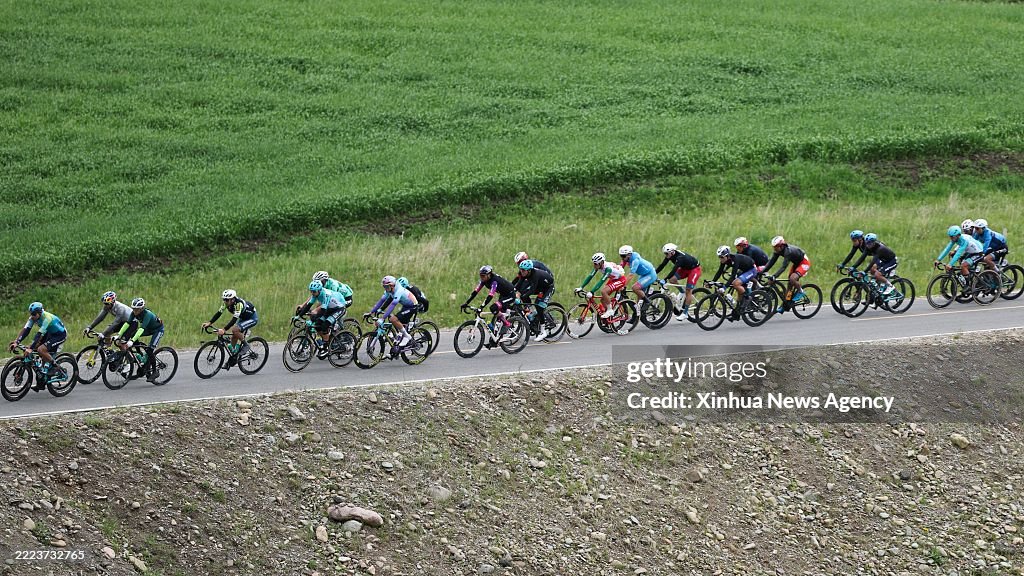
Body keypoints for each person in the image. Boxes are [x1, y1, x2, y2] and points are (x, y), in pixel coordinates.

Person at [9, 302, 66, 387]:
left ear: (39, 313)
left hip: (59, 335)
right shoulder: (33, 318)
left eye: (34, 314)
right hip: (49, 333)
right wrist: (17, 342)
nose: (32, 316)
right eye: (31, 314)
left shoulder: (47, 318)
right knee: (33, 348)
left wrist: (31, 348)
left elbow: (39, 334)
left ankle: (56, 367)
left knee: (41, 350)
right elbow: (26, 330)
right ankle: (42, 380)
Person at [115, 298, 165, 382]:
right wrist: (118, 335)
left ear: (141, 309)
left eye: (136, 309)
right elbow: (127, 323)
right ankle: (139, 354)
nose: (134, 311)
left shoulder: (147, 315)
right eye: (133, 309)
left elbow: (141, 329)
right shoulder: (133, 313)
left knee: (149, 350)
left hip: (158, 330)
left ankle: (155, 372)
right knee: (133, 334)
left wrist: (132, 341)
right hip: (149, 328)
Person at [201, 289, 257, 358]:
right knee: (234, 337)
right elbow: (219, 313)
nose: (225, 301)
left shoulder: (239, 304)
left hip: (251, 318)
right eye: (224, 299)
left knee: (235, 330)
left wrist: (224, 330)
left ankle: (246, 345)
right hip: (243, 318)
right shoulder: (226, 303)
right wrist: (209, 323)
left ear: (232, 299)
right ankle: (234, 357)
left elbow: (234, 320)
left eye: (227, 300)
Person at [366, 276, 419, 347]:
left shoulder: (399, 290)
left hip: (413, 306)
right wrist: (371, 312)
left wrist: (382, 318)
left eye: (386, 287)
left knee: (393, 319)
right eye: (384, 287)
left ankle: (407, 336)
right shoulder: (389, 290)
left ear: (392, 285)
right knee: (394, 319)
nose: (385, 289)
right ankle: (398, 346)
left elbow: (393, 304)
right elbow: (381, 301)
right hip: (406, 306)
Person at [762, 236, 811, 313]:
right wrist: (762, 272)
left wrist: (774, 276)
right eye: (773, 247)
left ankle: (801, 291)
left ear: (781, 246)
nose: (774, 249)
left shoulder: (788, 251)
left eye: (776, 247)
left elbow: (783, 267)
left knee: (792, 278)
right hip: (796, 264)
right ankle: (785, 306)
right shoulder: (777, 251)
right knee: (789, 286)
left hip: (804, 262)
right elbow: (771, 263)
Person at [296, 280, 348, 351]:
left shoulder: (326, 294)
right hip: (330, 309)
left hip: (339, 308)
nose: (312, 293)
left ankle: (327, 347)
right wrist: (298, 316)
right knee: (318, 325)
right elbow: (308, 306)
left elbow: (323, 310)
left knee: (325, 325)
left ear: (319, 290)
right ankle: (327, 341)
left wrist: (315, 316)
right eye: (311, 291)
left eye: (314, 291)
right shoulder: (316, 294)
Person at [712, 246, 760, 321]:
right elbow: (719, 271)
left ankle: (748, 298)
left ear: (727, 256)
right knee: (739, 292)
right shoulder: (725, 260)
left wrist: (724, 288)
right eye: (719, 257)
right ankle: (737, 314)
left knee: (736, 283)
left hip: (752, 270)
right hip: (744, 270)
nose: (720, 259)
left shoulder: (735, 259)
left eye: (722, 257)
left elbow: (733, 276)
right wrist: (712, 281)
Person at [655, 243, 701, 320]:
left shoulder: (680, 257)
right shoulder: (670, 255)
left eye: (666, 254)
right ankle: (682, 292)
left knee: (688, 290)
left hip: (694, 270)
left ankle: (685, 313)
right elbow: (662, 265)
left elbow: (674, 269)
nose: (666, 255)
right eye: (665, 254)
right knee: (672, 280)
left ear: (672, 252)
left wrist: (665, 279)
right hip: (685, 269)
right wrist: (654, 273)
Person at [514, 259, 556, 341]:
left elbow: (532, 290)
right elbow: (518, 285)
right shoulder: (523, 273)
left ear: (529, 270)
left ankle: (543, 331)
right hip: (540, 286)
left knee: (539, 306)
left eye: (523, 270)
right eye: (520, 269)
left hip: (548, 288)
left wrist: (520, 295)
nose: (521, 271)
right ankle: (530, 312)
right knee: (523, 293)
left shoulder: (535, 275)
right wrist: (513, 292)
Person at [577, 253, 629, 320]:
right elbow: (590, 276)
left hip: (621, 279)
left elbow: (601, 281)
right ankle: (610, 316)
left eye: (595, 264)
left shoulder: (608, 268)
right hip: (613, 279)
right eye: (593, 263)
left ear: (601, 263)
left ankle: (610, 310)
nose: (594, 265)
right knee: (603, 299)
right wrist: (581, 287)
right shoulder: (598, 265)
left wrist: (592, 292)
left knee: (604, 291)